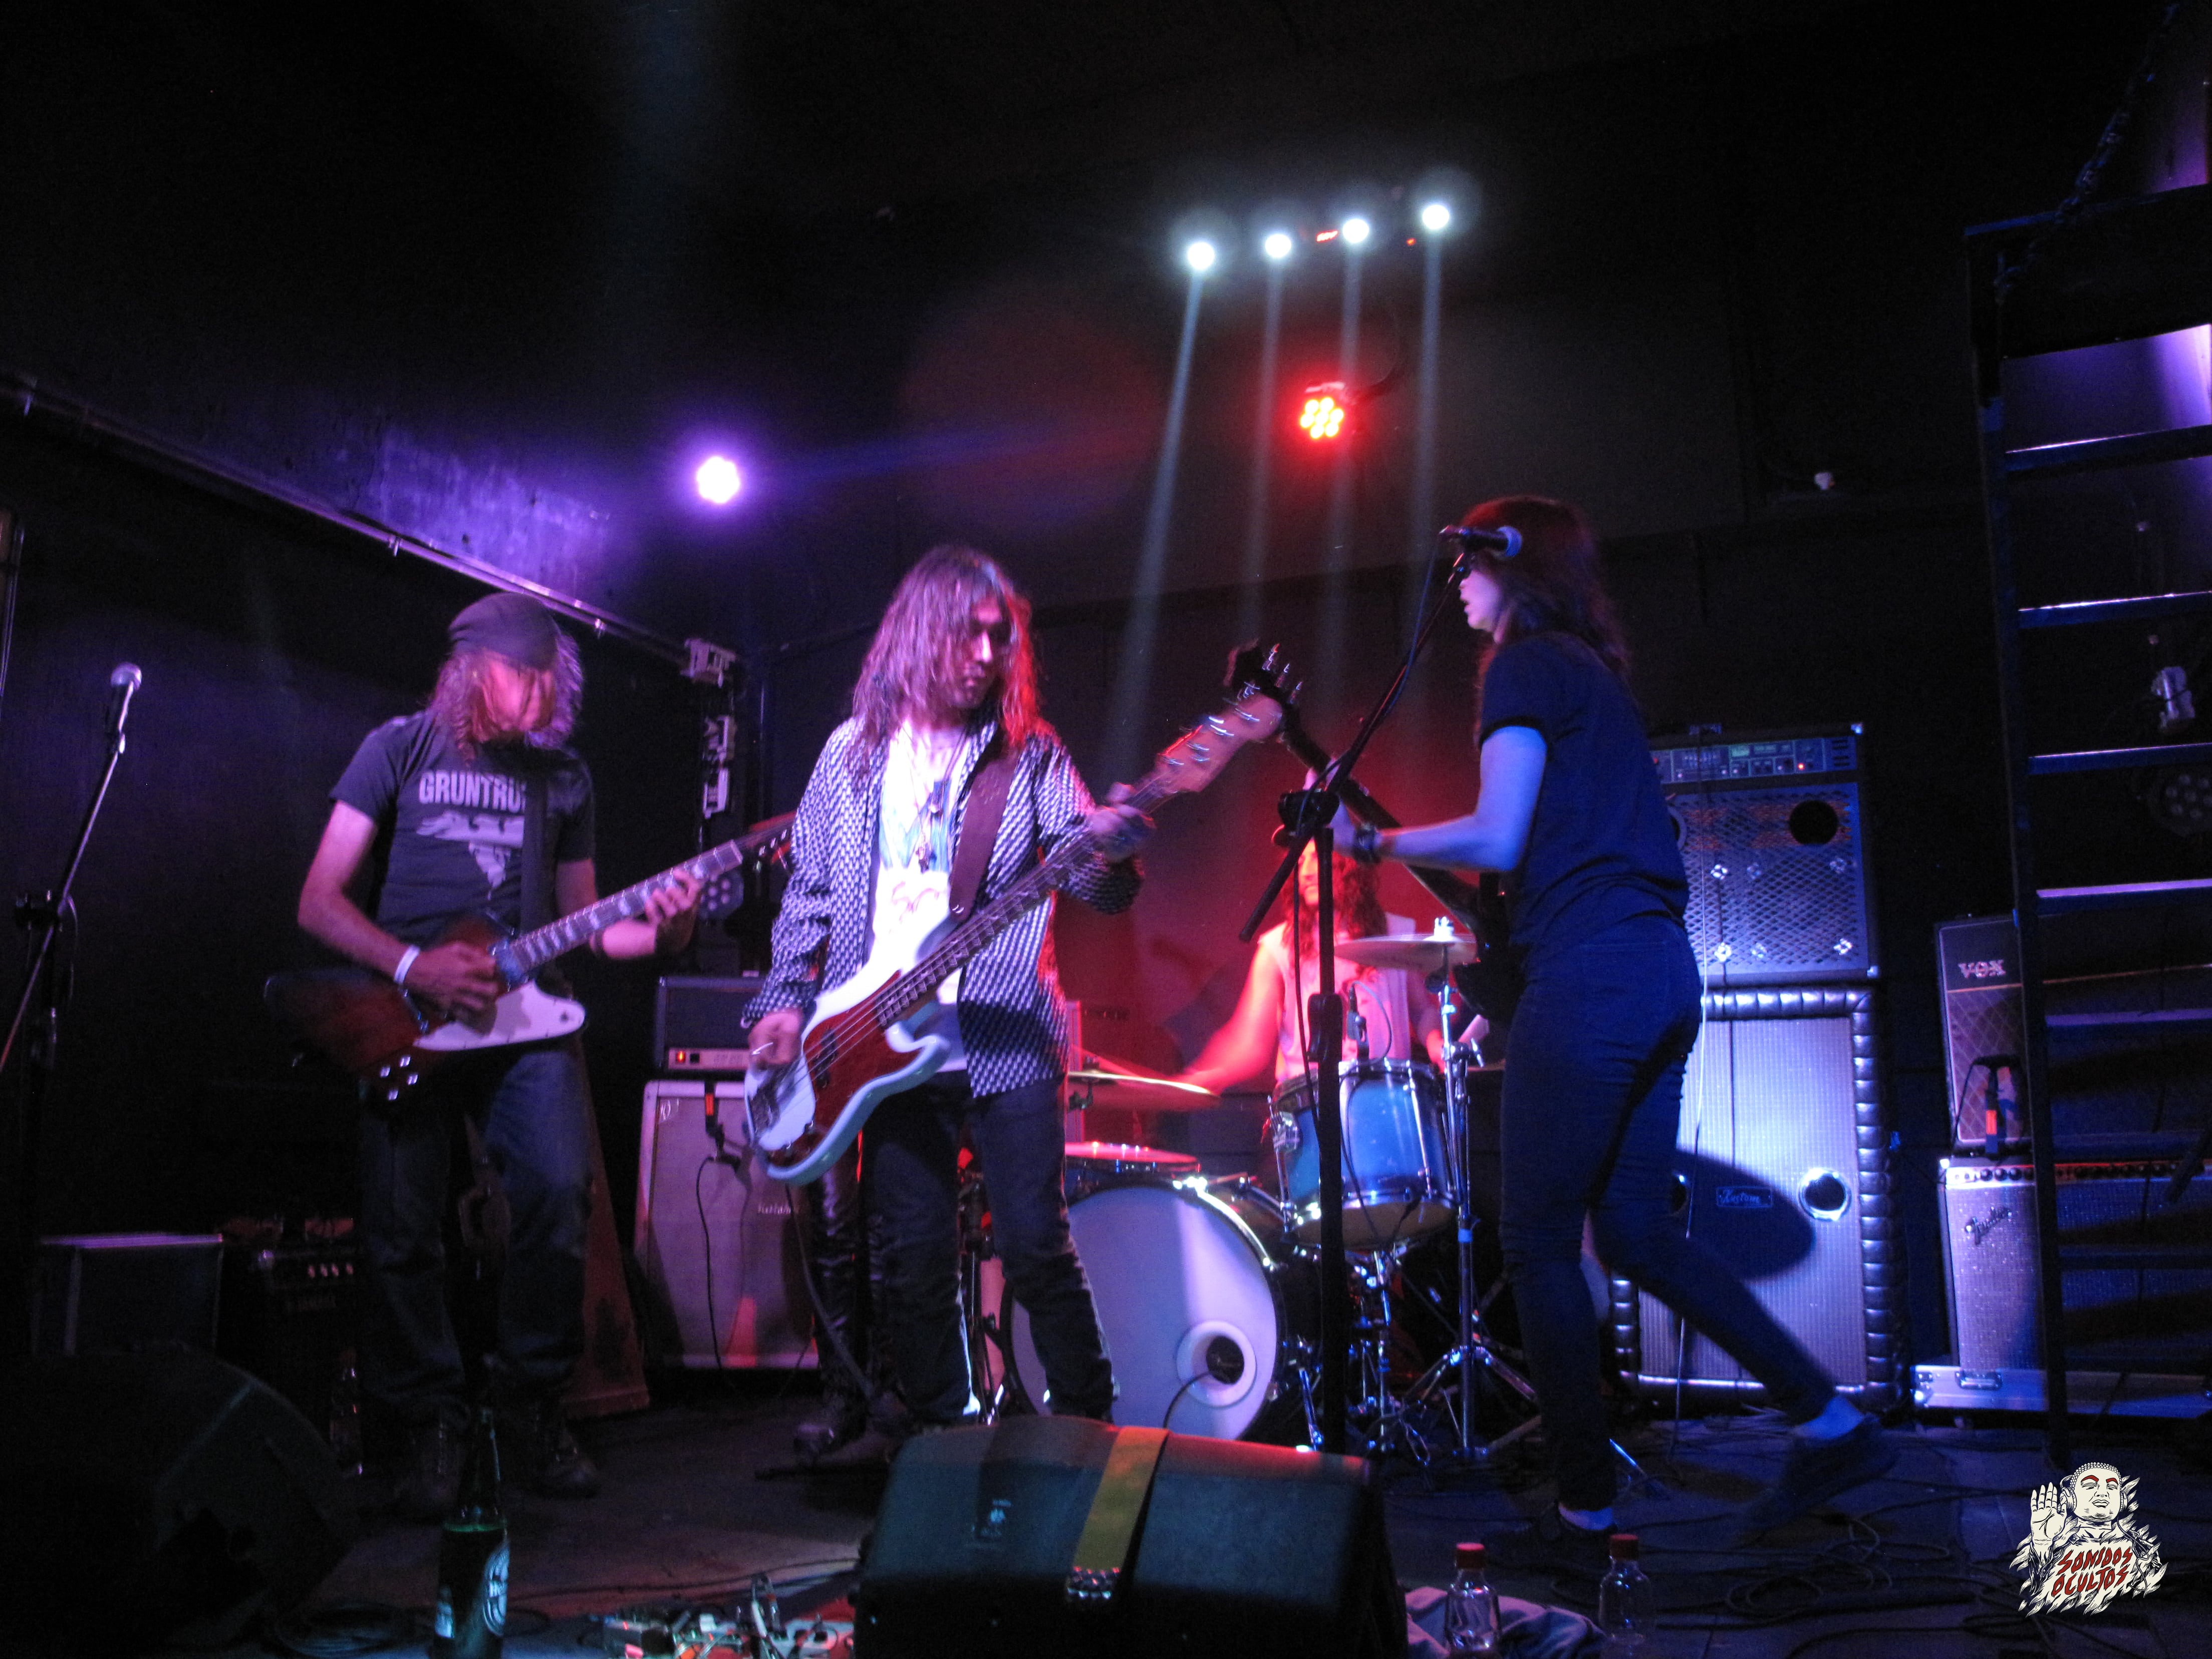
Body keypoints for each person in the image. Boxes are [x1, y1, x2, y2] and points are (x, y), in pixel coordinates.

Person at [1334, 496, 1894, 1567]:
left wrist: (1374, 841)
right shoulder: (1588, 671)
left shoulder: (1523, 668)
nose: (1456, 584)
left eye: (1467, 564)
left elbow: (1499, 836)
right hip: (1658, 972)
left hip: (1591, 976)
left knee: (1539, 1243)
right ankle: (1832, 1424)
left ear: (1509, 562)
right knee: (1634, 1233)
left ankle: (1584, 1516)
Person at [297, 592, 698, 1519]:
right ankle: (429, 1421)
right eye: (525, 675)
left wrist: (669, 932)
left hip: (527, 1014)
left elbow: (593, 925)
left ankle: (528, 1402)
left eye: (552, 679)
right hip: (406, 1012)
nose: (542, 695)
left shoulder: (563, 777)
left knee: (560, 1193)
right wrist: (414, 965)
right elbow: (318, 901)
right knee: (401, 1228)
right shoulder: (398, 749)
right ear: (472, 668)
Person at [746, 545, 1150, 1431]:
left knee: (1035, 1246)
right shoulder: (849, 755)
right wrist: (779, 1001)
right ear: (920, 631)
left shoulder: (1030, 756)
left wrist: (1114, 848)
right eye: (969, 634)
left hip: (1004, 1040)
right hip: (880, 1043)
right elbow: (809, 891)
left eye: (1000, 639)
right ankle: (942, 1437)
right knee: (911, 1257)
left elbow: (1097, 885)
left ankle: (1090, 1427)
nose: (986, 655)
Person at [1178, 843, 1452, 1097]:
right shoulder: (1278, 947)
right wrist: (1203, 1079)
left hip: (1388, 1098)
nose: (1306, 872)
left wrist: (1437, 1045)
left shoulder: (1396, 935)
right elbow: (1249, 1046)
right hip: (1311, 1105)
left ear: (1351, 865)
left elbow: (1421, 1011)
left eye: (1318, 858)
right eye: (1300, 862)